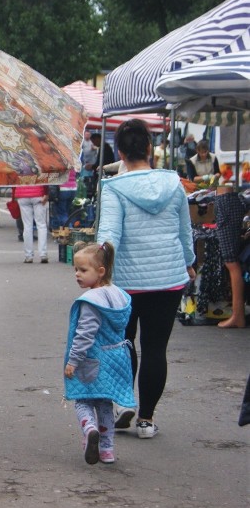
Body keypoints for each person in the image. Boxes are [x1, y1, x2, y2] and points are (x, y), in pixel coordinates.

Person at [96, 119, 196, 439]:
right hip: (168, 279)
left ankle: (124, 403)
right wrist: (189, 263)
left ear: (120, 153)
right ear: (150, 149)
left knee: (124, 343)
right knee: (156, 349)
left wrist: (99, 271)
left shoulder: (114, 188)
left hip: (125, 280)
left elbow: (109, 235)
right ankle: (146, 420)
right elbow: (185, 233)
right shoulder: (174, 185)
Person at [64, 241, 136, 465]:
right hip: (117, 357)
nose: (77, 274)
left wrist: (73, 361)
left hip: (93, 360)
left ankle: (90, 429)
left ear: (101, 271)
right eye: (76, 269)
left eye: (83, 270)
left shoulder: (91, 301)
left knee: (83, 401)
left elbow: (85, 334)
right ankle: (107, 450)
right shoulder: (120, 295)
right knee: (105, 404)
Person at [213, 185, 247, 328]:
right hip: (227, 198)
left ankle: (237, 315)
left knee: (231, 262)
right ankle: (237, 314)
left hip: (227, 200)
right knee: (231, 262)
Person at [13, 185, 49, 263]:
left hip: (22, 194)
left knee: (27, 226)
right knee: (41, 225)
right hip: (38, 193)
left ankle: (28, 256)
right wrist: (46, 193)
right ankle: (43, 254)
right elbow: (45, 177)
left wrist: (14, 194)